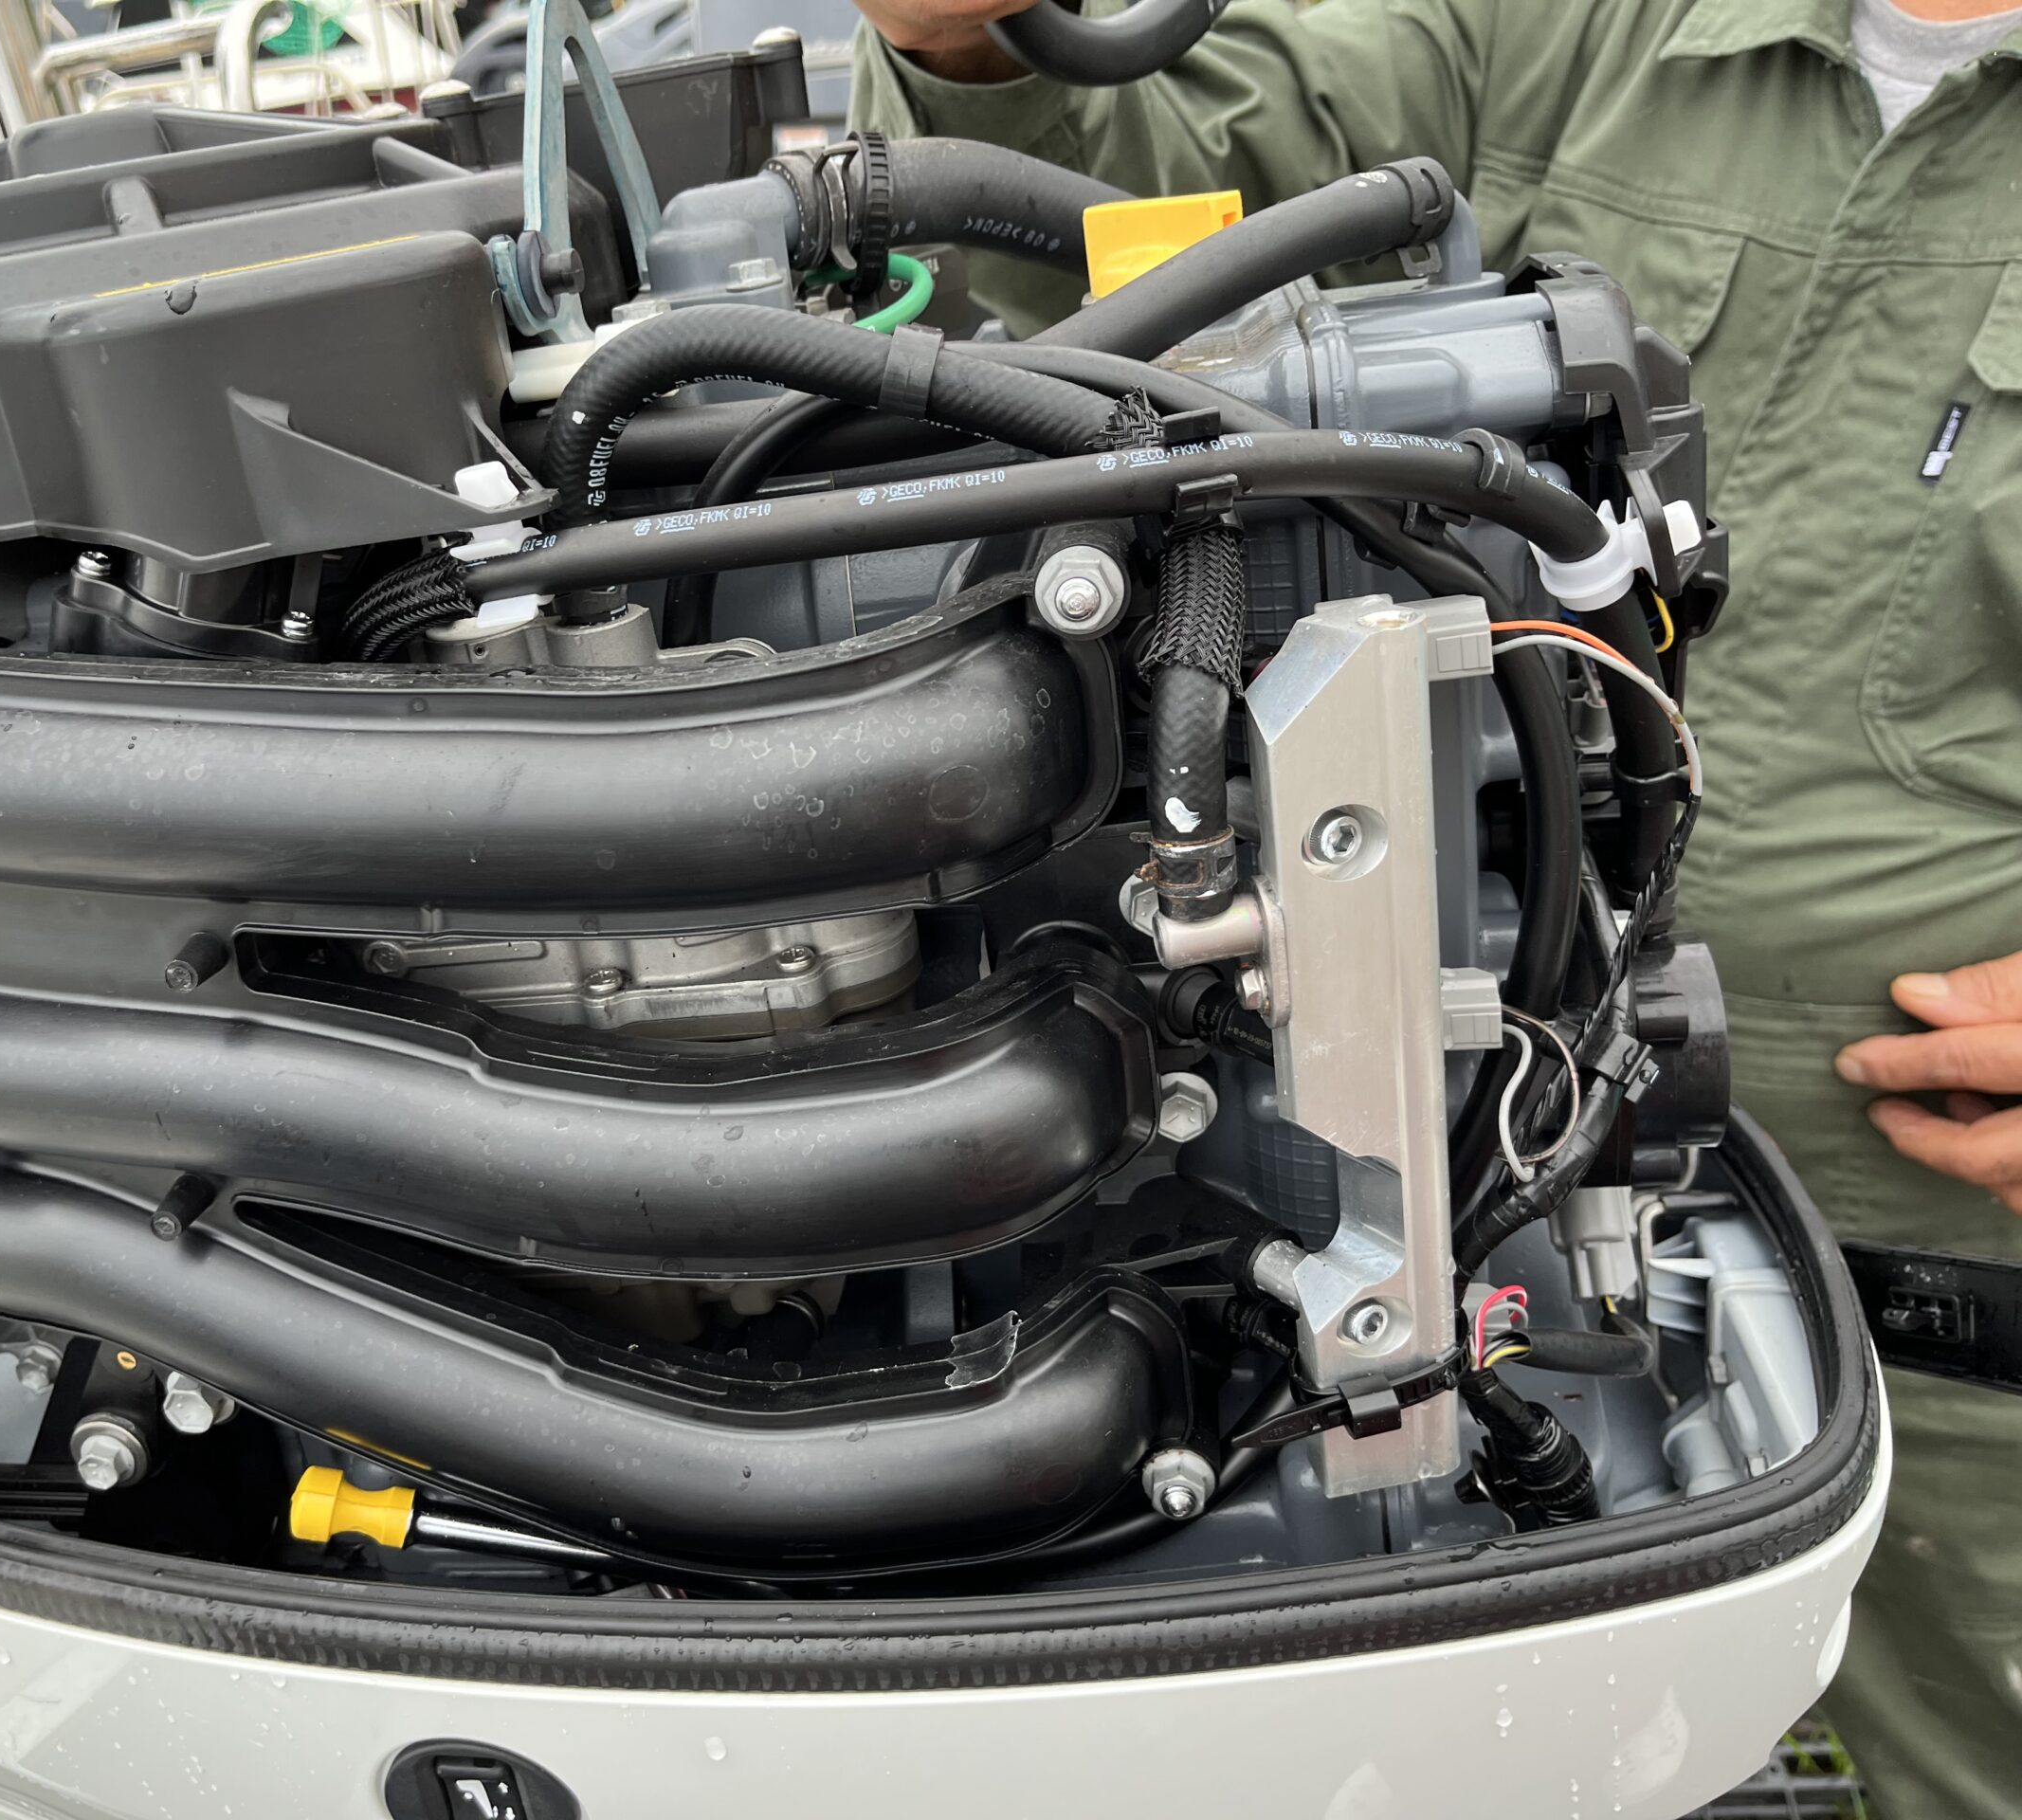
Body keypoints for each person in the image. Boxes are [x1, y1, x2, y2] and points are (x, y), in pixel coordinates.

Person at [846, 0, 2022, 1811]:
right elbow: (1125, 203)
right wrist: (983, 47)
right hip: (1462, 1181)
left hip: (1955, 1257)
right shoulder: (1554, 24)